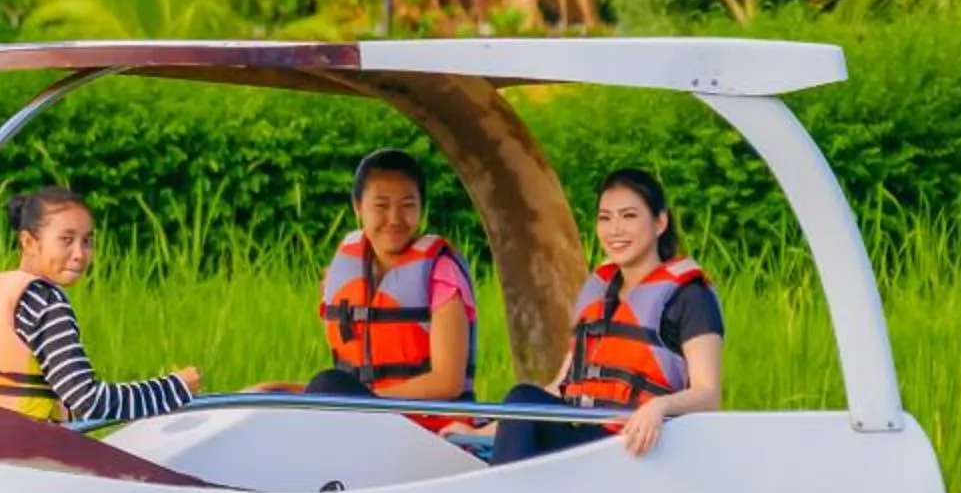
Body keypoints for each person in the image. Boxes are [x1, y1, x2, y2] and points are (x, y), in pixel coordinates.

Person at [489, 169, 723, 463]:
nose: (615, 230)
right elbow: (559, 385)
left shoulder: (691, 297)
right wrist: (485, 428)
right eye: (605, 218)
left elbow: (708, 394)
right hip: (581, 436)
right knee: (524, 397)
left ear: (660, 222)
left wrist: (658, 407)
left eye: (628, 216)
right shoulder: (598, 293)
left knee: (524, 400)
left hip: (633, 447)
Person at [0, 185, 202, 422]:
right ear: (29, 242)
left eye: (87, 241)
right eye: (66, 240)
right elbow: (88, 401)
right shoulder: (43, 299)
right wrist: (173, 389)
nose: (80, 254)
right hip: (21, 454)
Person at [302, 149, 477, 418]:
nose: (394, 219)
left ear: (421, 207)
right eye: (381, 206)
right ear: (358, 207)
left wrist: (362, 402)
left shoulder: (442, 274)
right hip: (364, 414)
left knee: (326, 386)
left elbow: (448, 382)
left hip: (425, 427)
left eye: (408, 205)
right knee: (265, 393)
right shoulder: (342, 272)